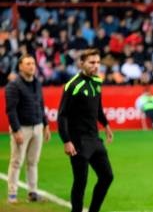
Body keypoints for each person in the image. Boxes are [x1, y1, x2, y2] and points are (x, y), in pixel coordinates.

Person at [57, 48, 113, 212]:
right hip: (78, 142)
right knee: (81, 182)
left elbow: (98, 108)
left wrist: (106, 125)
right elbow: (62, 116)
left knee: (107, 177)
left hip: (95, 140)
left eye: (97, 62)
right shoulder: (73, 85)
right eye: (91, 62)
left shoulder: (97, 82)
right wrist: (66, 141)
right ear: (81, 64)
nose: (96, 66)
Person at [5, 54, 51, 203]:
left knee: (33, 162)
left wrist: (46, 125)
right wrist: (16, 130)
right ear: (20, 67)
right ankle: (12, 194)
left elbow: (41, 105)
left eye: (33, 63)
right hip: (22, 128)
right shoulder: (13, 85)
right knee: (17, 161)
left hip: (37, 127)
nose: (31, 66)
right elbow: (11, 110)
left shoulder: (37, 83)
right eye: (28, 64)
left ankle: (32, 192)